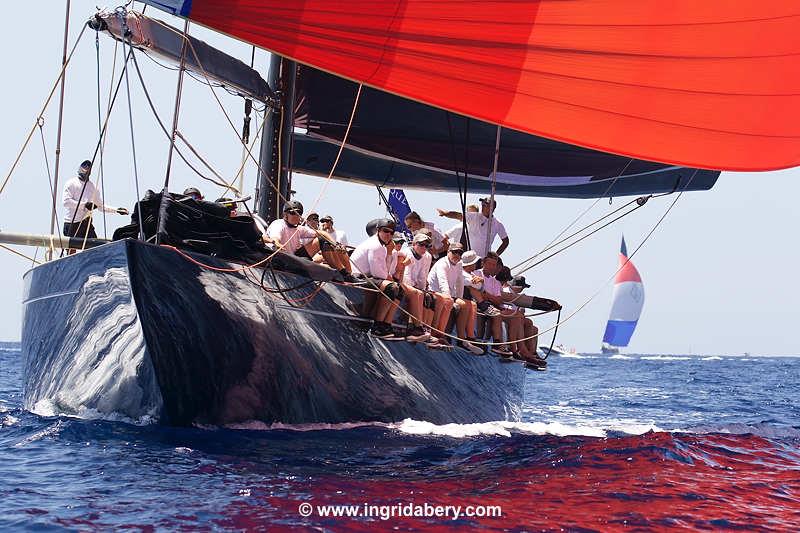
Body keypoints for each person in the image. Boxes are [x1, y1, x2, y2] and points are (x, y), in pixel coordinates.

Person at [351, 218, 423, 340]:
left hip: (368, 276)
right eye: (385, 231)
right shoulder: (376, 247)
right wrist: (390, 256)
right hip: (357, 277)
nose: (388, 235)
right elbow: (380, 273)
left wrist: (389, 253)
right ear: (378, 230)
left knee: (399, 289)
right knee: (392, 287)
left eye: (391, 232)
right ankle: (378, 326)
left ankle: (385, 324)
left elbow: (384, 271)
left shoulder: (383, 246)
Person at [266, 200, 353, 280]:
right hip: (279, 259)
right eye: (292, 213)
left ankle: (343, 273)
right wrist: (277, 243)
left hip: (293, 258)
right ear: (285, 215)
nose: (296, 215)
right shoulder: (279, 224)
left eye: (298, 213)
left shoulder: (299, 229)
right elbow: (275, 238)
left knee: (322, 240)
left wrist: (335, 244)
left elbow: (322, 234)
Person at [427, 242, 482, 354]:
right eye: (454, 252)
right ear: (448, 252)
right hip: (434, 291)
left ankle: (464, 339)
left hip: (448, 294)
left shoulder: (459, 264)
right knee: (445, 301)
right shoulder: (442, 264)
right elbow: (443, 282)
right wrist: (449, 298)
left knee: (468, 304)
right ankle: (435, 334)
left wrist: (458, 298)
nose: (457, 255)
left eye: (459, 253)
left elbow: (459, 282)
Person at [62, 159, 128, 244]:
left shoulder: (93, 187)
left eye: (88, 168)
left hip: (86, 223)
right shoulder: (71, 183)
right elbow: (66, 202)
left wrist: (117, 210)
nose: (85, 170)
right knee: (71, 249)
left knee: (95, 246)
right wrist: (85, 205)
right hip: (72, 223)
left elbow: (100, 207)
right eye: (84, 168)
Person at [471, 252, 513, 356]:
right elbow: (479, 294)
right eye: (489, 264)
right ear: (483, 263)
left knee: (518, 317)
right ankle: (497, 344)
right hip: (479, 304)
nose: (492, 267)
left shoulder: (495, 282)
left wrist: (487, 295)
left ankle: (514, 349)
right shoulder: (475, 274)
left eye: (494, 265)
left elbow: (499, 301)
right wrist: (490, 297)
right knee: (497, 314)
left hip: (490, 305)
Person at [437, 197, 509, 257]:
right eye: (482, 204)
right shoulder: (474, 216)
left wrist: (495, 255)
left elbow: (506, 242)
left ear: (492, 208)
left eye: (485, 205)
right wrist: (446, 213)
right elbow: (459, 215)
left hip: (484, 259)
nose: (482, 206)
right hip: (471, 257)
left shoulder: (497, 224)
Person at [402, 232, 436, 342]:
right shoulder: (407, 253)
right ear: (414, 244)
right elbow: (405, 276)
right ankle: (417, 328)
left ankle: (424, 329)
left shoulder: (423, 257)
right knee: (419, 294)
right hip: (402, 283)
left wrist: (422, 288)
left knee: (428, 297)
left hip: (413, 286)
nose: (424, 248)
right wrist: (416, 287)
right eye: (421, 245)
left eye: (426, 246)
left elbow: (422, 276)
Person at [503, 275, 545, 366]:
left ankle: (532, 353)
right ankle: (523, 351)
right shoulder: (506, 292)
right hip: (508, 316)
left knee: (534, 328)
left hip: (516, 316)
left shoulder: (519, 296)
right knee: (522, 320)